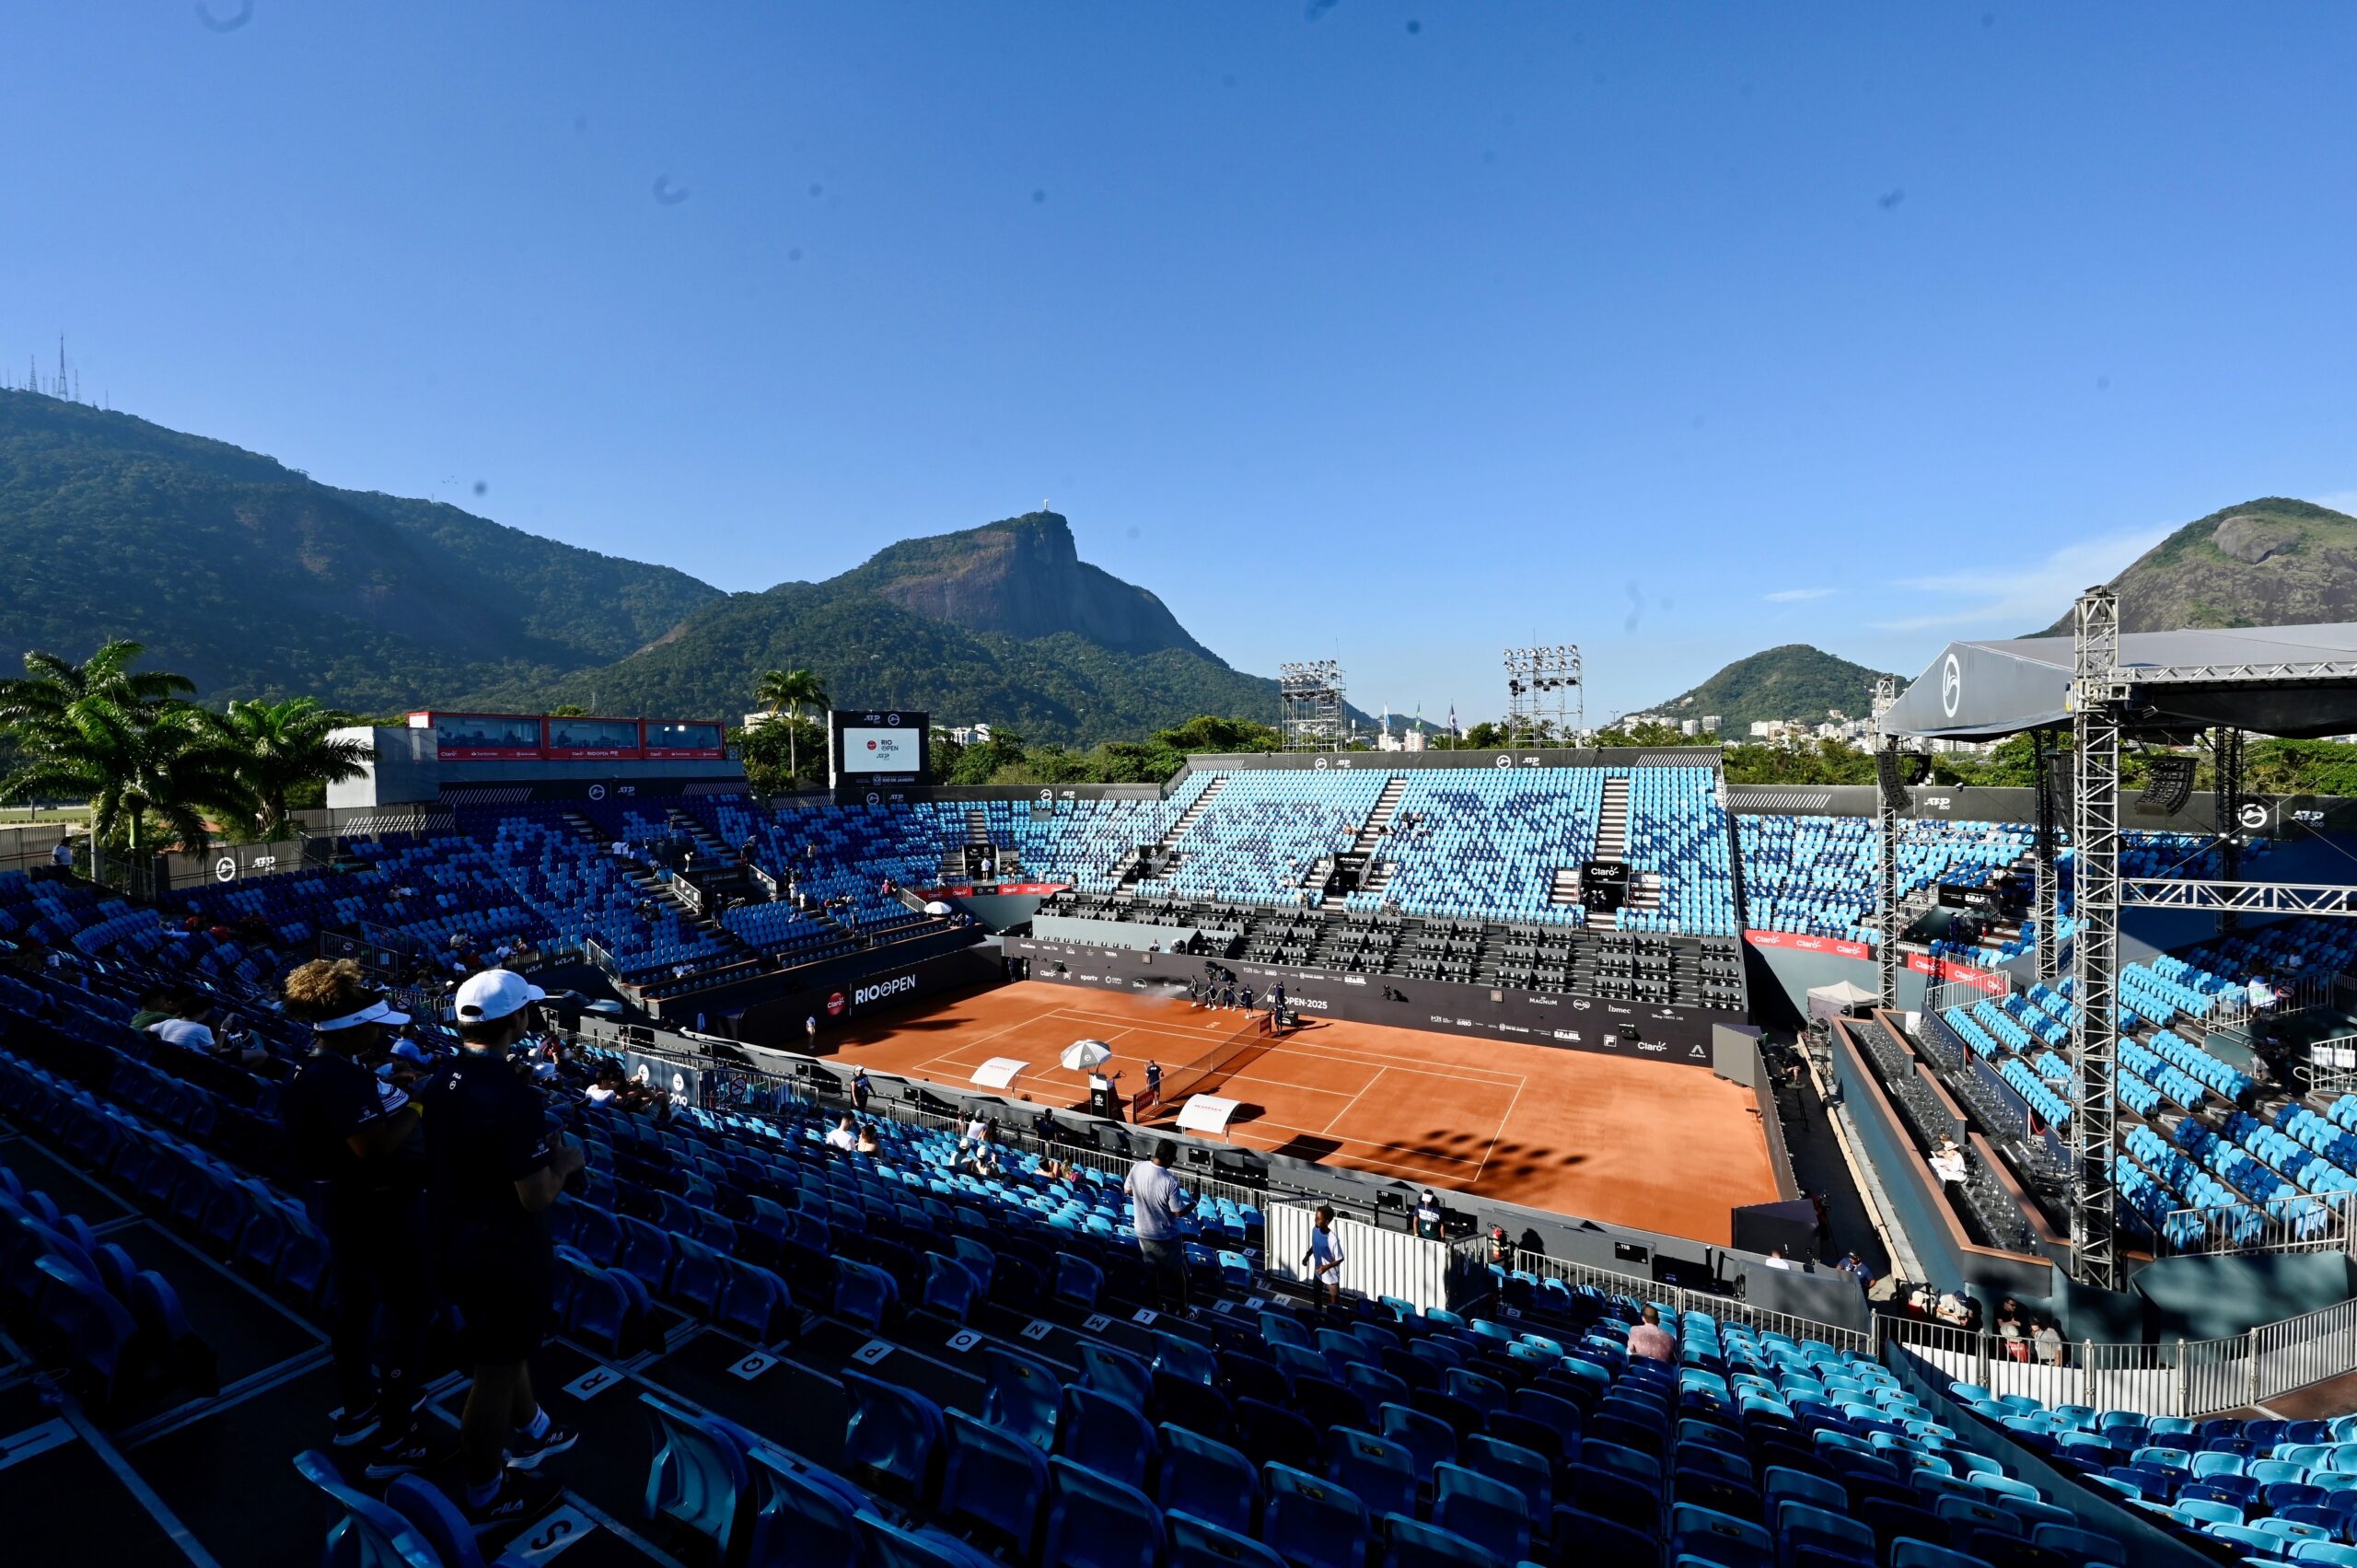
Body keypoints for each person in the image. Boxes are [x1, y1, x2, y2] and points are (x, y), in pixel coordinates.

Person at [420, 969, 585, 1523]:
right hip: (501, 1252)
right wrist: (565, 1161)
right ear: (515, 1019)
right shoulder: (511, 1094)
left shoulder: (441, 1078)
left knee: (502, 1351)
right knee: (492, 1372)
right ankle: (487, 1493)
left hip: (451, 1235)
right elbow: (535, 1196)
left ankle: (534, 1427)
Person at [277, 959, 435, 1473]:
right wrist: (415, 1103)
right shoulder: (338, 1079)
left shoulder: (321, 1066)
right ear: (353, 1029)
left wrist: (384, 1082)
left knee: (357, 1311)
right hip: (377, 1209)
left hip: (348, 1209)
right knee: (403, 1317)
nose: (381, 1034)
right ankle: (397, 1436)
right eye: (375, 1027)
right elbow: (374, 1146)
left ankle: (360, 1409)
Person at [1124, 1139, 1194, 1314]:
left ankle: (1156, 1304)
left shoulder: (1137, 1167)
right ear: (1168, 1157)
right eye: (1174, 1158)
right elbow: (1177, 1212)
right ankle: (1183, 1309)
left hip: (1143, 1232)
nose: (1174, 1161)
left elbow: (1127, 1190)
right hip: (1166, 1236)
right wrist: (1194, 1203)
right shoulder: (1170, 1181)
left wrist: (1144, 1196)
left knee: (1152, 1270)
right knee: (1178, 1274)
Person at [1304, 1205, 1346, 1308]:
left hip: (1331, 1276)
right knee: (1316, 1295)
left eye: (1318, 1219)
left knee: (1334, 1303)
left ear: (1327, 1222)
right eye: (1315, 1217)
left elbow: (1340, 1258)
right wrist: (1308, 1255)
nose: (1315, 1220)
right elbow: (1315, 1245)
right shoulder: (1315, 1230)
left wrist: (1326, 1267)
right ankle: (1318, 1316)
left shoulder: (1333, 1239)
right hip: (1319, 1271)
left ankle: (1337, 1320)